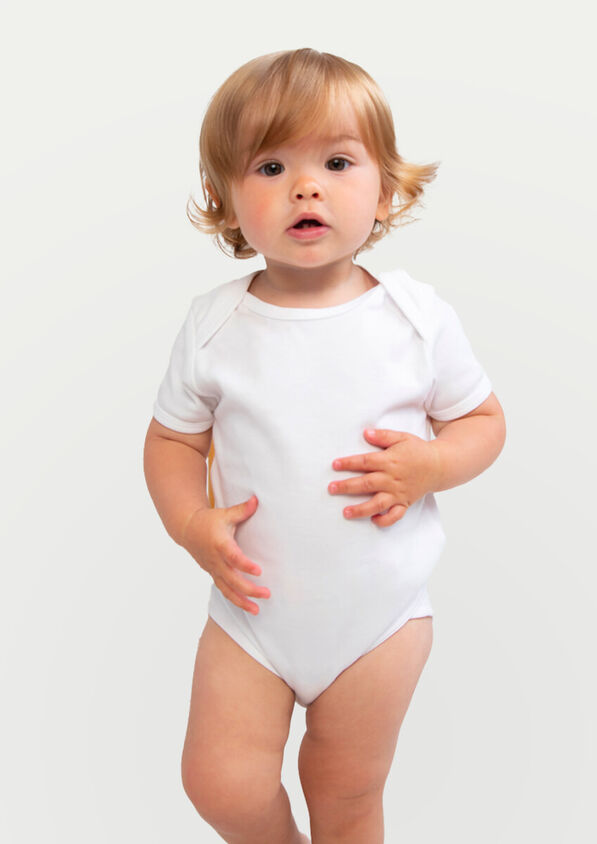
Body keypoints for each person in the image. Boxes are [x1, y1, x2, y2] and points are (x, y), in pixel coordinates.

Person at [143, 47, 506, 844]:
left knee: (344, 795)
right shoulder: (215, 324)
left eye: (337, 163)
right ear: (225, 199)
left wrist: (431, 465)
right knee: (220, 784)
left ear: (386, 189)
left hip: (378, 619)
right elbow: (172, 439)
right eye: (271, 166)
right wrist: (189, 522)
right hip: (252, 617)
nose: (305, 187)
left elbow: (483, 423)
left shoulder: (415, 318)